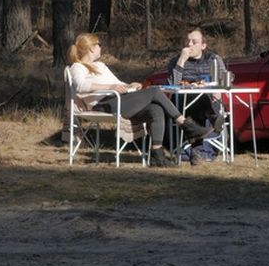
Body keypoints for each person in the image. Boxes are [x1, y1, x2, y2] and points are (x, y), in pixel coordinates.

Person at [67, 33, 213, 167]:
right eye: (99, 45)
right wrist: (111, 86)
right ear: (91, 48)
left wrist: (130, 85)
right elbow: (81, 86)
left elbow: (118, 83)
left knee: (155, 109)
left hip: (119, 99)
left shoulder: (100, 66)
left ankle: (157, 155)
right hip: (103, 104)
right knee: (155, 91)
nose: (101, 48)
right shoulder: (77, 67)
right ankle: (186, 125)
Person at [165, 28, 227, 133]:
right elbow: (172, 85)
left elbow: (224, 82)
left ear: (203, 46)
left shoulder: (213, 59)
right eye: (187, 41)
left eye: (194, 42)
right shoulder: (176, 61)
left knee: (206, 97)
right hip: (184, 103)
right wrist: (182, 60)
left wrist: (218, 90)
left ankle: (200, 143)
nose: (189, 44)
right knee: (197, 96)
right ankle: (214, 118)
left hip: (211, 100)